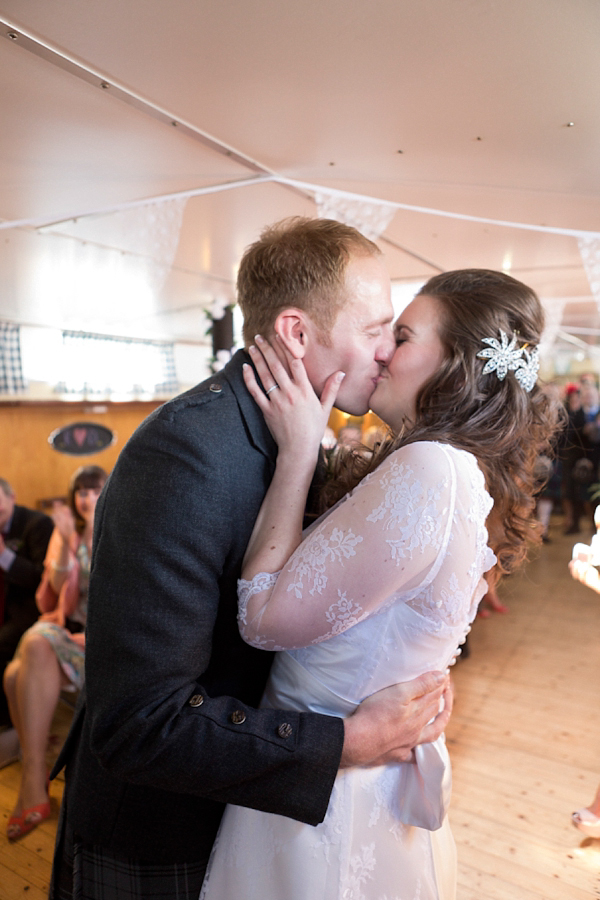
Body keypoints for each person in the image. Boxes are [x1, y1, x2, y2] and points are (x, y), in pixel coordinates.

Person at [49, 218, 452, 899]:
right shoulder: (187, 455)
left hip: (249, 820)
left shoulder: (300, 434)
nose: (388, 351)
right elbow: (141, 724)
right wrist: (346, 742)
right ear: (297, 334)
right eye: (375, 328)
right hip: (162, 833)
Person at [200, 268, 561, 900]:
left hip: (326, 796)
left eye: (402, 335)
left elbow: (261, 618)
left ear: (458, 366)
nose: (383, 351)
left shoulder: (429, 470)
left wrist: (297, 453)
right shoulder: (463, 471)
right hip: (365, 781)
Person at [3, 465, 107, 840]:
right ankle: (37, 769)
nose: (87, 498)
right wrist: (64, 543)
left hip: (103, 643)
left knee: (19, 668)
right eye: (81, 491)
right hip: (68, 633)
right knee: (17, 667)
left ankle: (33, 777)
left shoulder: (121, 532)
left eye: (95, 491)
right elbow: (47, 596)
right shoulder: (67, 535)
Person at [0, 477, 54, 767]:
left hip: (28, 613)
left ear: (12, 497)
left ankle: (12, 729)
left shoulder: (37, 525)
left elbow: (40, 582)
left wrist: (4, 556)